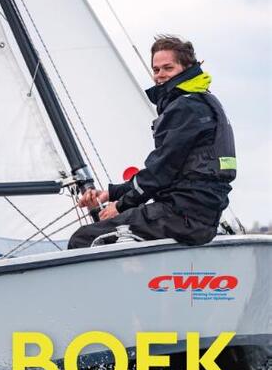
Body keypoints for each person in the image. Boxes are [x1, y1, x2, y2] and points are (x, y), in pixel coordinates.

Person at [68, 35, 236, 249]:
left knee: (83, 239)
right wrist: (110, 193)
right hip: (198, 217)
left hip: (181, 217)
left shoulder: (184, 107)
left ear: (187, 68)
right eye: (156, 70)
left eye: (168, 68)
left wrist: (119, 206)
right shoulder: (205, 101)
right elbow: (164, 171)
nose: (160, 75)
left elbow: (160, 172)